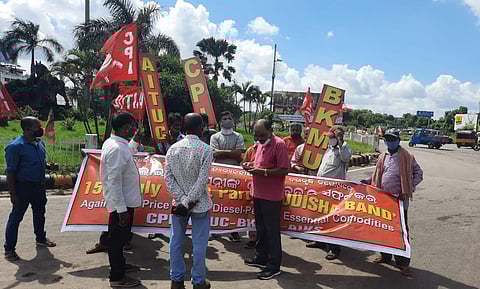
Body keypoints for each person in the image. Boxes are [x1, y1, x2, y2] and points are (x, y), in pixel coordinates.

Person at [362, 128, 423, 277]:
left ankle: (402, 263)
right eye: (387, 139)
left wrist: (408, 188)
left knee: (400, 232)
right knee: (382, 228)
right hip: (382, 200)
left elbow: (419, 174)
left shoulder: (407, 157)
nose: (390, 141)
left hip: (399, 201)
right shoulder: (383, 156)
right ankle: (385, 255)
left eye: (393, 139)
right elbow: (378, 174)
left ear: (398, 140)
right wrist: (368, 181)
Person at [165, 113, 213, 289]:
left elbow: (168, 179)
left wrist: (182, 201)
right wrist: (189, 202)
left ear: (184, 127)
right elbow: (202, 181)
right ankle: (198, 281)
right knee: (199, 244)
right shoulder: (206, 150)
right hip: (199, 205)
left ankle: (176, 280)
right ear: (201, 128)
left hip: (178, 205)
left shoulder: (173, 149)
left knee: (176, 241)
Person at [242, 119, 289, 280]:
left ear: (270, 130)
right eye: (257, 136)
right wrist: (250, 165)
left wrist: (263, 172)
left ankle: (274, 265)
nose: (259, 139)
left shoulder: (279, 144)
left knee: (271, 231)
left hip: (272, 196)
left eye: (262, 135)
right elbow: (261, 164)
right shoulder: (260, 144)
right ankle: (261, 257)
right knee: (260, 228)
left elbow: (284, 170)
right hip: (258, 193)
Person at [100, 112, 143, 288]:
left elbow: (128, 152)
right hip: (121, 204)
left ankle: (121, 265)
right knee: (116, 240)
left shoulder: (117, 144)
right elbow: (114, 180)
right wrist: (121, 209)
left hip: (125, 202)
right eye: (132, 125)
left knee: (121, 238)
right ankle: (117, 277)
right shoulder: (117, 149)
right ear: (125, 128)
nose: (134, 128)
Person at [4, 117, 56, 262]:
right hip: (23, 187)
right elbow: (11, 172)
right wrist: (13, 194)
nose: (40, 129)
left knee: (40, 213)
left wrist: (48, 167)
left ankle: (40, 238)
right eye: (36, 126)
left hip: (39, 186)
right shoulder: (15, 147)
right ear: (27, 129)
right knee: (16, 218)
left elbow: (37, 162)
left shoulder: (39, 143)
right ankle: (9, 249)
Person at [305, 126, 352, 260]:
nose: (329, 139)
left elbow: (345, 158)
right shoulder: (328, 150)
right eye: (329, 137)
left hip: (335, 192)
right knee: (321, 217)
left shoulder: (344, 148)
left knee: (333, 220)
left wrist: (340, 141)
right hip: (323, 190)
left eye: (332, 137)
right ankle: (320, 241)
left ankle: (334, 248)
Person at [210, 111, 246, 242]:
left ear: (233, 121)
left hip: (234, 175)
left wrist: (222, 152)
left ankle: (234, 231)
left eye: (229, 118)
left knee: (234, 203)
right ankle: (215, 229)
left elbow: (240, 153)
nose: (227, 121)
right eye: (225, 119)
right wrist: (232, 152)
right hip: (218, 174)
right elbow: (214, 153)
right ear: (221, 122)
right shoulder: (215, 137)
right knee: (217, 202)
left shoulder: (238, 136)